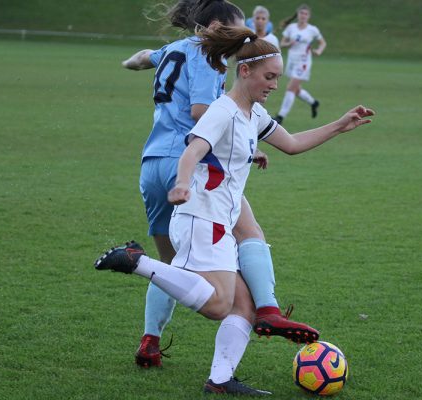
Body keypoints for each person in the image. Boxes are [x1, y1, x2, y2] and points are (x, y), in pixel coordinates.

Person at [95, 22, 374, 395]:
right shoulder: (223, 110)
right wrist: (181, 182)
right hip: (200, 217)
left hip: (219, 222)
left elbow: (290, 143)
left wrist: (340, 125)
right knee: (218, 304)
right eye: (269, 76)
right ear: (245, 71)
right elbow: (194, 148)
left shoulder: (253, 114)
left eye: (278, 78)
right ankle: (137, 262)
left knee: (244, 306)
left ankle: (220, 381)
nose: (274, 84)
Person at [123, 0, 319, 381]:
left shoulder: (173, 49)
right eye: (235, 28)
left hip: (152, 163)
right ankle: (266, 307)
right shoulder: (205, 57)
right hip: (192, 162)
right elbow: (202, 112)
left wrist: (129, 64)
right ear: (215, 27)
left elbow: (143, 57)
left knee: (172, 266)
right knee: (249, 231)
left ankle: (150, 339)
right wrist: (242, 132)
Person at [274, 4, 326, 125]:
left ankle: (280, 116)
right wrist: (288, 44)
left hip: (304, 62)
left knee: (290, 87)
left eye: (306, 14)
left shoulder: (312, 29)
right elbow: (281, 44)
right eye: (301, 13)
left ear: (309, 16)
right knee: (296, 89)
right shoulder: (291, 28)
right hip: (292, 60)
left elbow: (323, 43)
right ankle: (313, 103)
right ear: (297, 15)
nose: (303, 16)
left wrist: (319, 51)